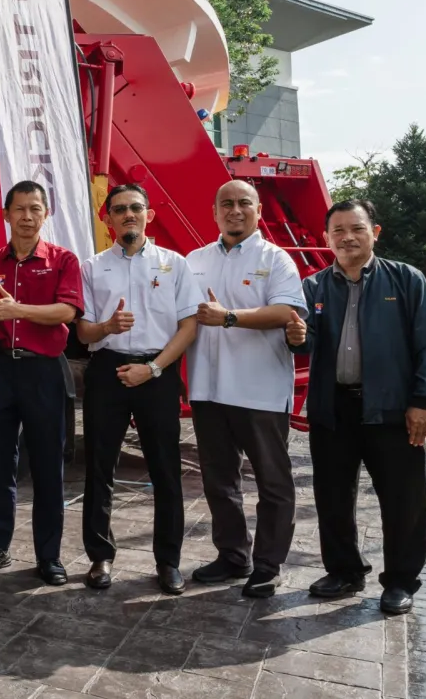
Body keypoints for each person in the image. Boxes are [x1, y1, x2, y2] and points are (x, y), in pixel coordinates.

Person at [289, 199, 426, 616]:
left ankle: (401, 581)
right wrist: (298, 335)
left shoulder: (405, 280)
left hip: (393, 410)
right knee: (332, 497)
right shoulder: (314, 286)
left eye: (356, 228)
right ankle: (344, 571)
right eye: (338, 230)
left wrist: (422, 401)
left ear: (375, 231)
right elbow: (307, 343)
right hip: (332, 410)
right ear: (326, 238)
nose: (347, 237)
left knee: (403, 499)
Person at [76, 184, 201, 595]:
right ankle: (100, 556)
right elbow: (83, 330)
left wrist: (153, 368)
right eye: (119, 209)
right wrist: (107, 328)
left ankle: (168, 561)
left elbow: (188, 327)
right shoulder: (93, 267)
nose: (128, 214)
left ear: (149, 214)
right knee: (99, 467)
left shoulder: (175, 264)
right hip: (107, 370)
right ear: (106, 218)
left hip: (158, 370)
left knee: (166, 469)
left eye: (135, 208)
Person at [184, 180, 305, 599]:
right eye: (226, 204)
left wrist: (229, 316)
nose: (235, 210)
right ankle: (233, 556)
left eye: (243, 203)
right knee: (219, 482)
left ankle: (268, 565)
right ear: (214, 212)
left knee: (273, 483)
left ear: (258, 211)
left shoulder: (276, 259)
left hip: (260, 391)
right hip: (208, 389)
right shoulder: (194, 260)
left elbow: (288, 310)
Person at [0, 181, 83, 585]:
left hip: (44, 371)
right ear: (6, 214)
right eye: (19, 209)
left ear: (45, 214)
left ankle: (49, 555)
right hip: (1, 370)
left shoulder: (63, 260)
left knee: (48, 465)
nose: (27, 217)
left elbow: (67, 312)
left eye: (36, 209)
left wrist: (18, 310)